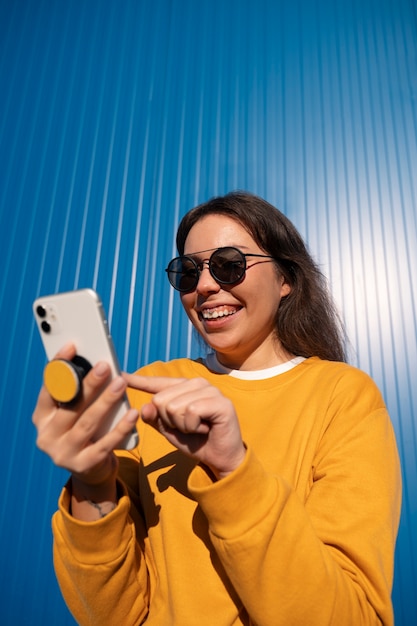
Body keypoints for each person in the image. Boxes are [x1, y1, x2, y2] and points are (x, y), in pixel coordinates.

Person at [33, 191, 401, 626]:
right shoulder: (152, 390)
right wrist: (92, 484)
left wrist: (233, 470)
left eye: (230, 264)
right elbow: (115, 615)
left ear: (286, 279)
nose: (205, 286)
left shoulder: (343, 397)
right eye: (188, 272)